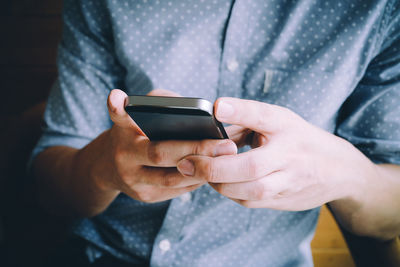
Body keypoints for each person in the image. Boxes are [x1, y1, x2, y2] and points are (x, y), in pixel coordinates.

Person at [31, 0, 400, 266]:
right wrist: (105, 165)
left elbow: (392, 213)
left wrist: (345, 173)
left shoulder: (379, 10)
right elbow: (48, 186)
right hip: (102, 256)